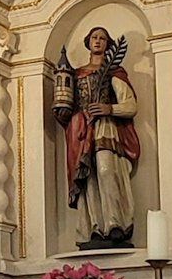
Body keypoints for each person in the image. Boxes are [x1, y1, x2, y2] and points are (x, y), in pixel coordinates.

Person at [53, 26, 141, 247]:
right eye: (94, 37)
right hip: (81, 131)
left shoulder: (114, 72)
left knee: (105, 170)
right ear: (88, 42)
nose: (98, 41)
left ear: (108, 44)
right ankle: (94, 227)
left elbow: (130, 105)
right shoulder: (77, 74)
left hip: (106, 127)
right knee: (87, 177)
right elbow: (65, 104)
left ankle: (115, 223)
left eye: (102, 38)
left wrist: (109, 108)